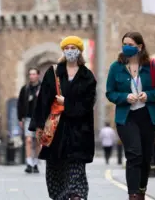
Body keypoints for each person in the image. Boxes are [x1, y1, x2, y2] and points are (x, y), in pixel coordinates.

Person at [31, 35, 97, 200]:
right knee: (55, 168)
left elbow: (88, 104)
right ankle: (61, 196)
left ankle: (76, 195)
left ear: (79, 51)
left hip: (78, 129)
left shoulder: (87, 76)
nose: (69, 51)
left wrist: (67, 103)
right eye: (66, 49)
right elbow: (43, 101)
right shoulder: (53, 73)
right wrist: (38, 125)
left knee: (76, 168)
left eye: (73, 48)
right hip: (56, 130)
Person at [106, 31, 155, 200]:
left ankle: (141, 189)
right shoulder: (115, 67)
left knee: (146, 157)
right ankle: (133, 195)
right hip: (126, 118)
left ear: (140, 47)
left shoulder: (152, 65)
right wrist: (124, 97)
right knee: (134, 154)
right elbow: (110, 93)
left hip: (148, 117)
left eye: (131, 45)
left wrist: (149, 95)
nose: (127, 47)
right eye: (124, 43)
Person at [17, 67, 42, 173]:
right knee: (28, 140)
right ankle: (28, 163)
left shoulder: (43, 88)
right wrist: (20, 118)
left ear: (38, 75)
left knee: (37, 141)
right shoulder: (25, 89)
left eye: (33, 74)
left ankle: (35, 163)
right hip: (28, 118)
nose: (31, 76)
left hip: (40, 118)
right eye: (30, 74)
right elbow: (20, 103)